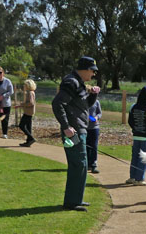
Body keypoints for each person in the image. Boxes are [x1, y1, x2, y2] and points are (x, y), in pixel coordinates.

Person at [52, 56, 100, 212]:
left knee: (80, 164)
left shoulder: (79, 83)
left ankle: (76, 199)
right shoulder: (71, 82)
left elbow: (85, 106)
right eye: (93, 71)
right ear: (85, 69)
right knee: (78, 163)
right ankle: (72, 202)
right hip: (72, 132)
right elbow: (57, 103)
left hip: (79, 130)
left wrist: (93, 95)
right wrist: (66, 127)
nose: (93, 74)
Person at [126, 86, 146, 186]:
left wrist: (135, 129)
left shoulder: (133, 107)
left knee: (135, 156)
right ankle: (140, 179)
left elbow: (130, 121)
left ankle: (132, 177)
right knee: (144, 158)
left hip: (136, 136)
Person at [16, 79, 37, 147]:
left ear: (28, 86)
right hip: (29, 112)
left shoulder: (30, 93)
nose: (24, 86)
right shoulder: (31, 92)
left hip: (28, 112)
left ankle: (31, 138)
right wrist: (20, 105)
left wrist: (22, 104)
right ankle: (28, 142)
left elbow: (31, 103)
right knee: (28, 127)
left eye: (25, 85)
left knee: (21, 125)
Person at [86, 99, 102, 174]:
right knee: (86, 146)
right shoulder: (82, 101)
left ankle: (93, 165)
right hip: (84, 127)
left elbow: (99, 113)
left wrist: (96, 118)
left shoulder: (96, 101)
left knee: (94, 146)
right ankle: (86, 164)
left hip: (94, 127)